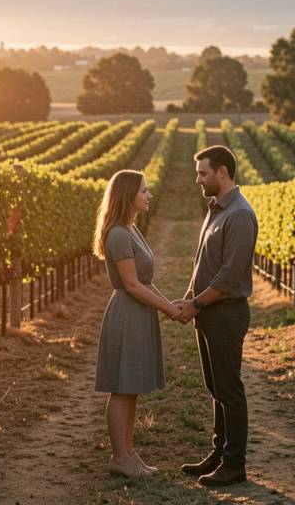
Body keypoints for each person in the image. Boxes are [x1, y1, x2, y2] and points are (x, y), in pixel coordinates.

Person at [173, 145, 257, 487]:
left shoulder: (239, 214)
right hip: (208, 311)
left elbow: (228, 276)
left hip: (225, 313)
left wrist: (196, 304)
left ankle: (235, 464)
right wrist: (190, 297)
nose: (198, 179)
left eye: (202, 173)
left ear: (222, 172)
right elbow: (202, 264)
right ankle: (219, 453)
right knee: (214, 387)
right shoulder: (216, 209)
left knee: (229, 388)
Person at [92, 169, 184, 478]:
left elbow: (146, 281)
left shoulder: (131, 229)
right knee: (122, 387)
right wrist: (169, 311)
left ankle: (129, 454)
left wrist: (170, 306)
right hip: (128, 314)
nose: (149, 195)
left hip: (139, 312)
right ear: (128, 194)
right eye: (144, 191)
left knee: (131, 387)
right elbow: (132, 285)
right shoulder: (118, 233)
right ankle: (119, 457)